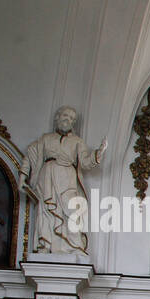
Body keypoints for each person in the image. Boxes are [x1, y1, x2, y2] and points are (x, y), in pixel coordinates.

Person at [21, 105, 106, 254]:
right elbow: (30, 155)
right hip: (47, 177)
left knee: (71, 209)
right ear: (57, 118)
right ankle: (45, 244)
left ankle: (75, 246)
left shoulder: (77, 141)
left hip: (67, 177)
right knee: (47, 209)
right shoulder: (45, 139)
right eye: (65, 116)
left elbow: (86, 162)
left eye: (72, 119)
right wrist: (23, 176)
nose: (68, 120)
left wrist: (98, 153)